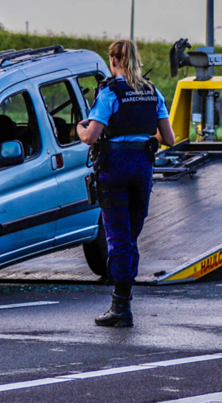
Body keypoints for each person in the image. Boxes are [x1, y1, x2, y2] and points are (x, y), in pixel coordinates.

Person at [77, 40, 175, 328]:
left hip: (115, 168)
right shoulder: (152, 91)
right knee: (130, 237)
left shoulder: (109, 92)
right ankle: (124, 301)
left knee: (118, 238)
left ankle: (120, 308)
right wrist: (144, 140)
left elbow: (91, 137)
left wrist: (80, 126)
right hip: (142, 167)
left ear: (113, 61)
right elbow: (168, 139)